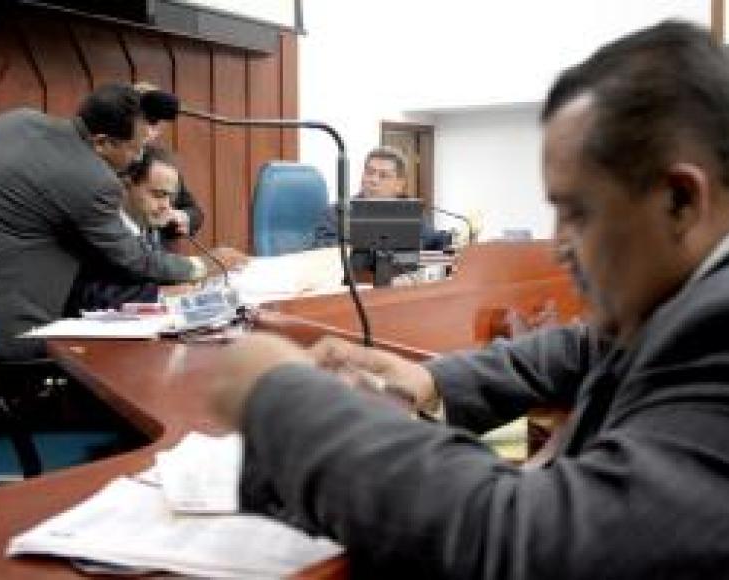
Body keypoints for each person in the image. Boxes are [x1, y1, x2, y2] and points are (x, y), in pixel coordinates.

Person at [207, 20, 729, 578]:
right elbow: (579, 348)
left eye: (577, 213)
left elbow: (527, 544)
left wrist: (280, 398)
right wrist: (429, 380)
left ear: (680, 201)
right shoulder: (679, 305)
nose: (559, 245)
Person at [0, 83, 210, 368]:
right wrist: (198, 267)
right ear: (102, 142)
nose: (140, 157)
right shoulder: (94, 180)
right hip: (9, 334)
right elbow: (133, 258)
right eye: (137, 149)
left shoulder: (14, 122)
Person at [65, 145, 246, 313]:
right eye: (158, 195)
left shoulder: (149, 226)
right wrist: (158, 294)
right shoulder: (98, 229)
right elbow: (84, 296)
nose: (167, 206)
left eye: (170, 197)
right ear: (125, 187)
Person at [317, 146, 449, 250]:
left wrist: (450, 240)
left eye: (383, 175)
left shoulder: (411, 212)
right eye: (369, 173)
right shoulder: (337, 212)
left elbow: (431, 240)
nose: (373, 180)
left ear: (399, 184)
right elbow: (323, 249)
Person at [134, 82, 204, 246]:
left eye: (155, 125)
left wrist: (181, 217)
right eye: (145, 122)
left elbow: (194, 211)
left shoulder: (161, 164)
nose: (149, 132)